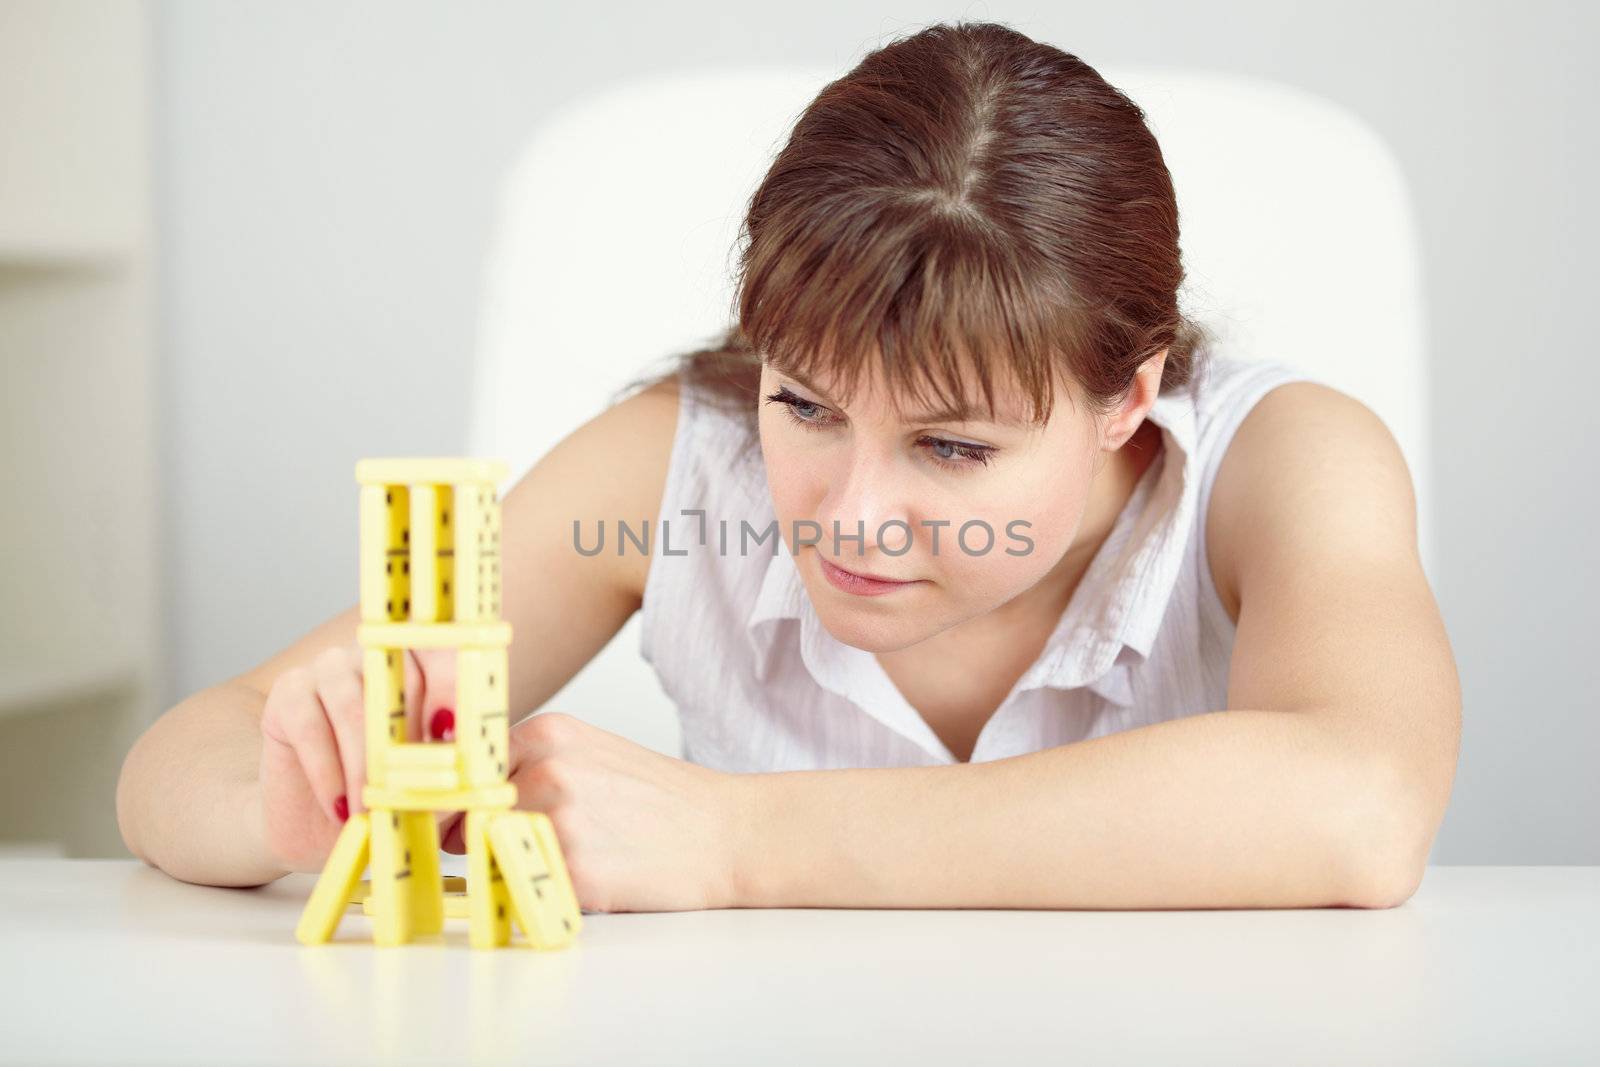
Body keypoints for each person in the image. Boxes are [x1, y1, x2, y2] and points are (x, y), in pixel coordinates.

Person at [116, 20, 1460, 912]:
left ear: (1129, 394)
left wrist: (739, 842)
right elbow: (183, 760)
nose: (851, 518)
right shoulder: (669, 462)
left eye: (951, 446)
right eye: (806, 406)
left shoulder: (1284, 459)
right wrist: (294, 802)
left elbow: (1360, 804)